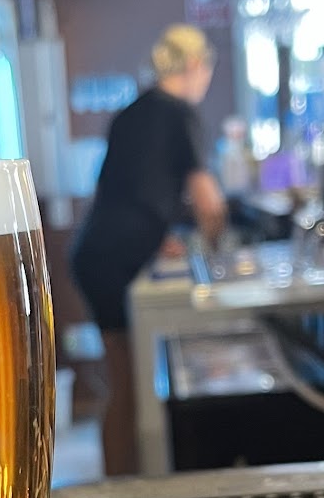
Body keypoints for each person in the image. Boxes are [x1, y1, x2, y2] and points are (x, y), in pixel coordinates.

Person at [72, 24, 227, 475]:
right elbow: (209, 203)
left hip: (96, 250)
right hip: (115, 260)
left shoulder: (131, 112)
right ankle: (123, 489)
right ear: (195, 64)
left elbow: (128, 192)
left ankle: (120, 482)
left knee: (125, 379)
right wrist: (216, 255)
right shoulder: (180, 113)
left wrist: (159, 238)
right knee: (129, 382)